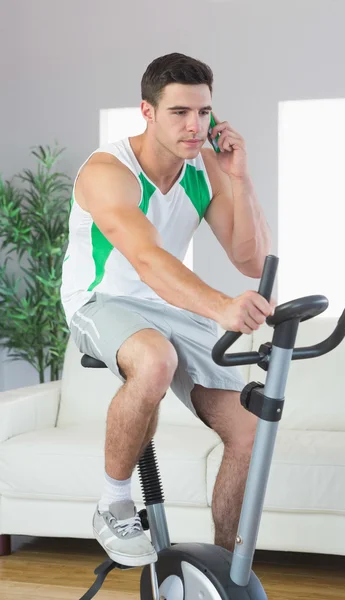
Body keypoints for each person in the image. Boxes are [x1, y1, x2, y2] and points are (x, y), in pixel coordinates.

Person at [60, 52, 274, 568]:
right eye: (179, 112)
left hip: (166, 303)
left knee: (250, 429)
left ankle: (227, 569)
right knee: (155, 360)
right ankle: (112, 503)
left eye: (203, 113)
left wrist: (238, 179)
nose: (194, 126)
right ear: (147, 111)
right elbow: (147, 259)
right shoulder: (109, 171)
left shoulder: (203, 170)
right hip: (101, 299)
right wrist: (220, 308)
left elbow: (251, 260)